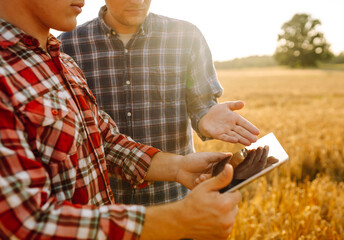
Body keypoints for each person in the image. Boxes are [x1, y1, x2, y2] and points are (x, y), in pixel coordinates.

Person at [0, 0, 275, 239]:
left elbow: (104, 141)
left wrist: (179, 167)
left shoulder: (60, 60)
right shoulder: (55, 52)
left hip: (156, 205)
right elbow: (24, 223)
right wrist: (179, 220)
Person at [59, 0, 260, 206]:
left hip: (174, 198)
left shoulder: (186, 36)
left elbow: (201, 104)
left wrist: (205, 117)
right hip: (104, 206)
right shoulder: (66, 45)